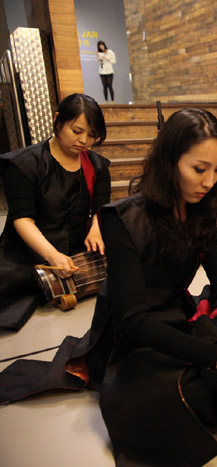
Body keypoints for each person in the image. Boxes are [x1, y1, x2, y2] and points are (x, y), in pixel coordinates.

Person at [0, 108, 217, 466]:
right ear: (170, 161)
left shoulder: (202, 208)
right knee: (170, 401)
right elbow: (135, 321)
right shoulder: (123, 219)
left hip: (176, 316)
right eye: (199, 169)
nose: (209, 181)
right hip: (131, 337)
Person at [0, 93, 110, 331]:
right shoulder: (24, 164)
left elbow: (101, 209)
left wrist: (97, 228)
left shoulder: (98, 166)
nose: (84, 141)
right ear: (57, 120)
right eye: (76, 131)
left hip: (79, 251)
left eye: (92, 135)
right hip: (31, 253)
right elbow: (22, 219)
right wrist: (52, 255)